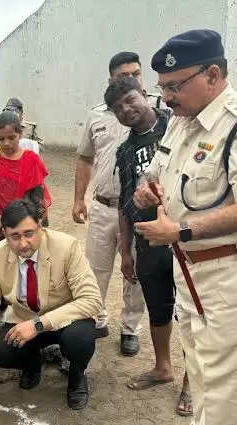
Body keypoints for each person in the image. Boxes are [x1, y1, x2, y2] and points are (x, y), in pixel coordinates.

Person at [133, 29, 237, 425]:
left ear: (213, 75)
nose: (167, 97)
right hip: (190, 261)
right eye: (163, 87)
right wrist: (146, 189)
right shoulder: (182, 120)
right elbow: (157, 173)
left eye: (175, 85)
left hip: (227, 263)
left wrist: (180, 230)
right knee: (197, 356)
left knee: (224, 364)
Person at [106, 76, 192, 415]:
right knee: (158, 304)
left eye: (130, 100)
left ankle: (192, 381)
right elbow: (125, 203)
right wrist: (125, 251)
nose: (126, 110)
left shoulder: (179, 125)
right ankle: (163, 367)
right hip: (148, 240)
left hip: (184, 233)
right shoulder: (125, 151)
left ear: (144, 94)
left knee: (188, 310)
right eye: (117, 109)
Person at [0, 199, 102, 409]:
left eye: (29, 234)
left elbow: (92, 300)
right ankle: (32, 362)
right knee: (0, 351)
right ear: (5, 234)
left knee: (79, 340)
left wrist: (38, 324)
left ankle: (77, 373)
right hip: (24, 319)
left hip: (65, 320)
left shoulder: (66, 246)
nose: (23, 243)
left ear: (41, 227)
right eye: (14, 236)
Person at [73, 51, 154, 356]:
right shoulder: (97, 115)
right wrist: (79, 198)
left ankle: (130, 328)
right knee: (96, 269)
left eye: (135, 73)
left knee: (135, 272)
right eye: (122, 76)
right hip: (105, 207)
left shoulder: (157, 114)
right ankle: (97, 317)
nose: (130, 79)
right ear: (110, 80)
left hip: (142, 212)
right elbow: (84, 158)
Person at [0, 110, 51, 247]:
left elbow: (37, 203)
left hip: (23, 228)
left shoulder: (32, 160)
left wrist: (9, 222)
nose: (6, 143)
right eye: (1, 139)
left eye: (11, 138)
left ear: (20, 134)